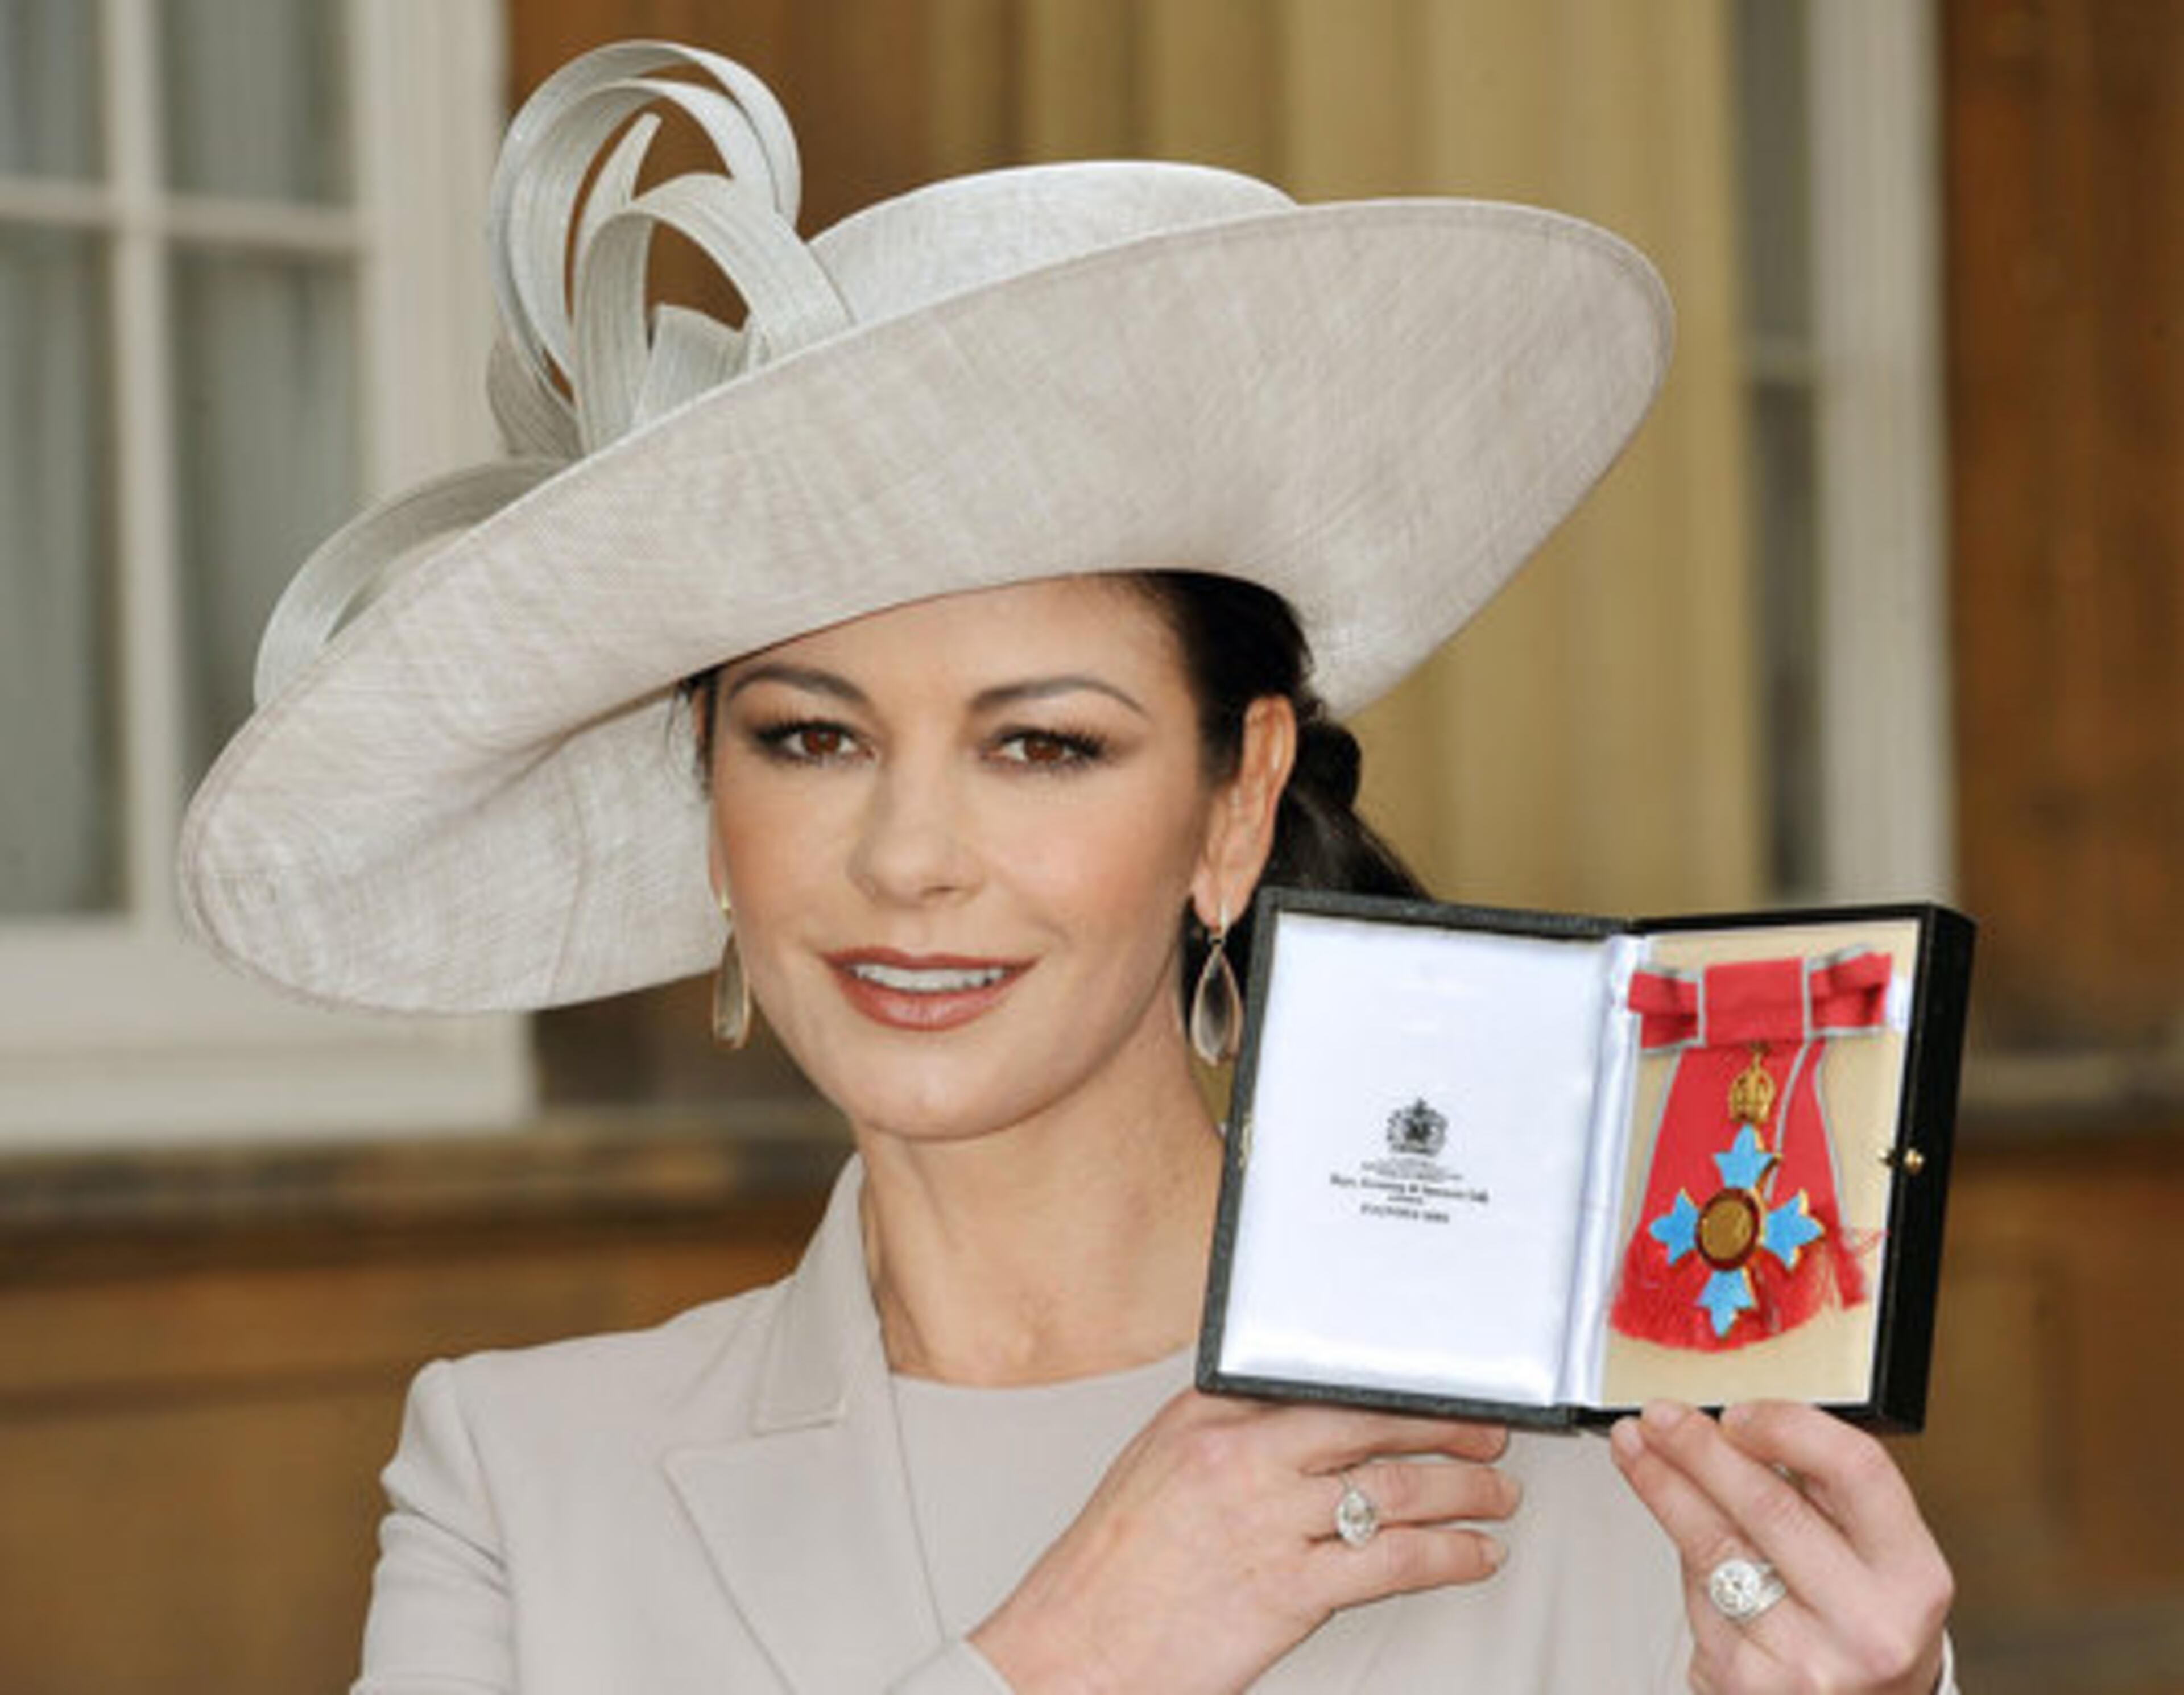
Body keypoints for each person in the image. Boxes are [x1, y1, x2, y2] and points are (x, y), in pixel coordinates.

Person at [179, 41, 1957, 1695]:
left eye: (1043, 743)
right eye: (809, 736)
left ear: (1235, 801)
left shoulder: (1632, 1482)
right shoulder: (518, 1475)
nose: (906, 856)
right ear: (710, 809)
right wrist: (1059, 1655)